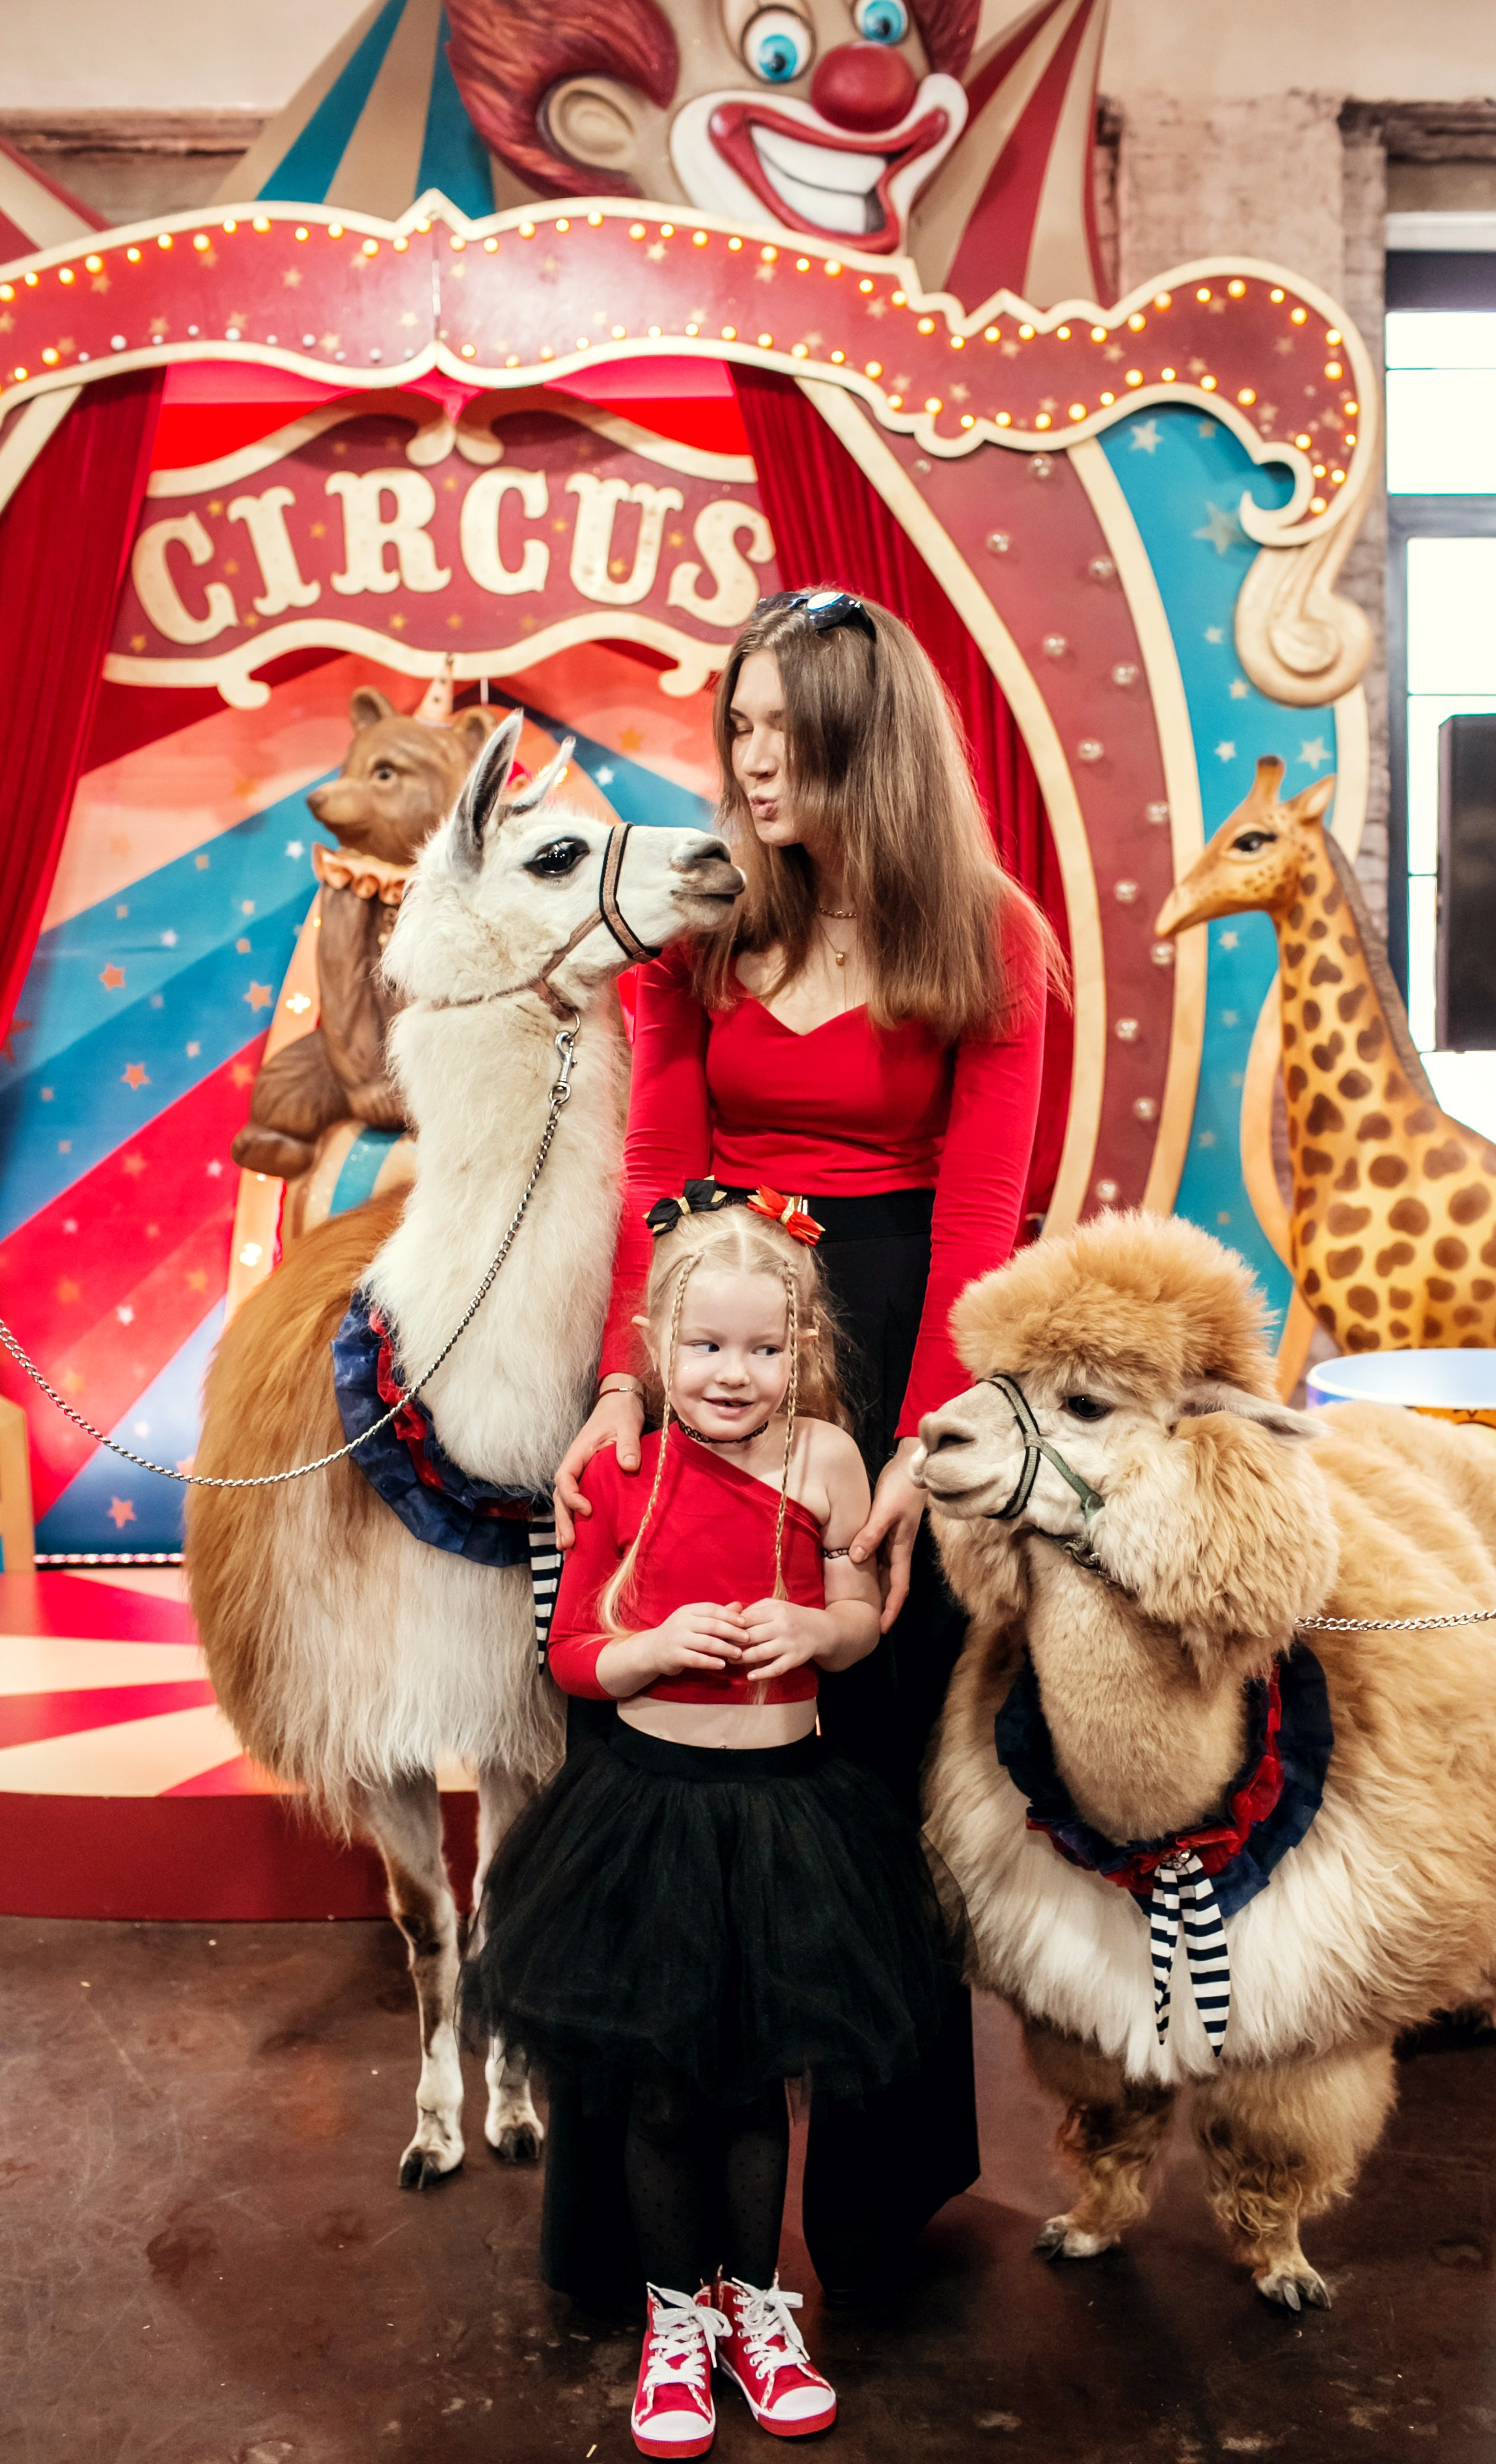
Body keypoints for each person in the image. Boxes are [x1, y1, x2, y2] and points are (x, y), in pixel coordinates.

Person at [553, 586, 1058, 2295]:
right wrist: (626, 1379)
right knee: (669, 1750)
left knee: (873, 1760)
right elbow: (654, 1164)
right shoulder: (701, 923)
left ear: (870, 739)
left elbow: (983, 1211)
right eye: (739, 731)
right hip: (705, 1338)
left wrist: (923, 1439)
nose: (750, 763)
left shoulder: (992, 940)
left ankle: (871, 2197)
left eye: (786, 732)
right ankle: (649, 2218)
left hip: (898, 1346)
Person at [464, 1191, 954, 2457]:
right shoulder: (623, 1463)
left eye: (760, 1349)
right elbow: (572, 1652)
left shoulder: (829, 1459)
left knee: (759, 2095)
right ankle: (674, 2316)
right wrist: (648, 1649)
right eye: (704, 1347)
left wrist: (820, 1633)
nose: (731, 1374)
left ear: (803, 1349)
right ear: (654, 1345)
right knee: (666, 2095)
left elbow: (859, 1609)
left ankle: (755, 2304)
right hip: (651, 1817)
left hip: (787, 1817)